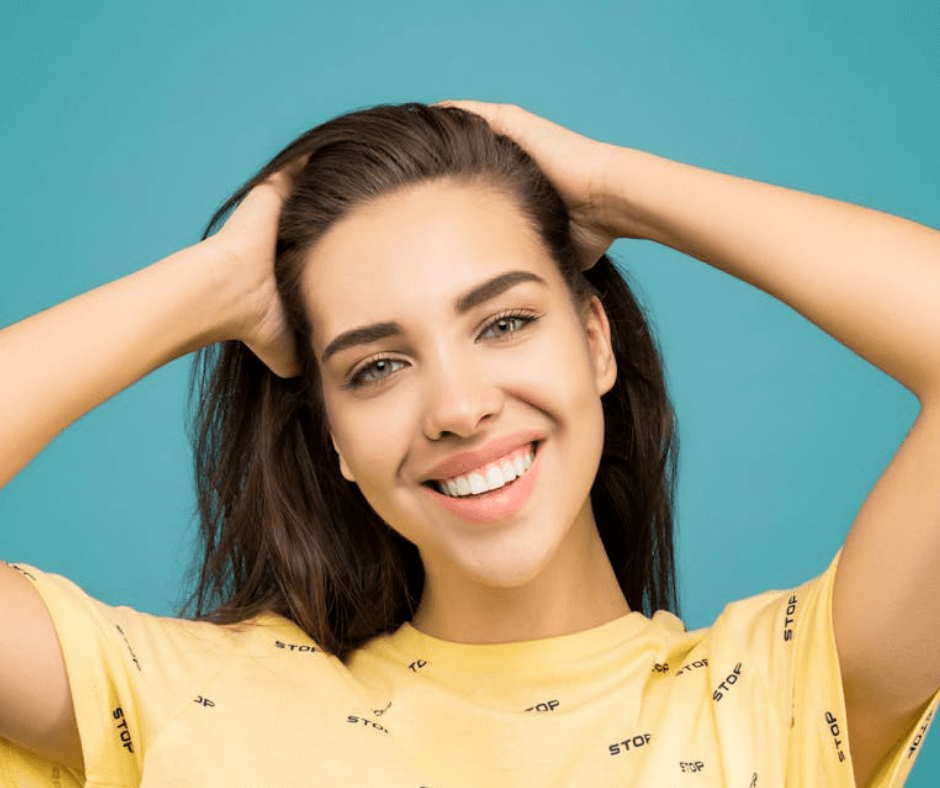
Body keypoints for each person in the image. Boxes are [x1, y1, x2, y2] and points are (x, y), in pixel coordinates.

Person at [0, 101, 937, 788]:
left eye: (503, 322)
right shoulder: (179, 696)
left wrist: (615, 187)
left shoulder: (773, 699)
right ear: (334, 438)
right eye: (375, 367)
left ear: (596, 342)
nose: (456, 406)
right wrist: (214, 286)